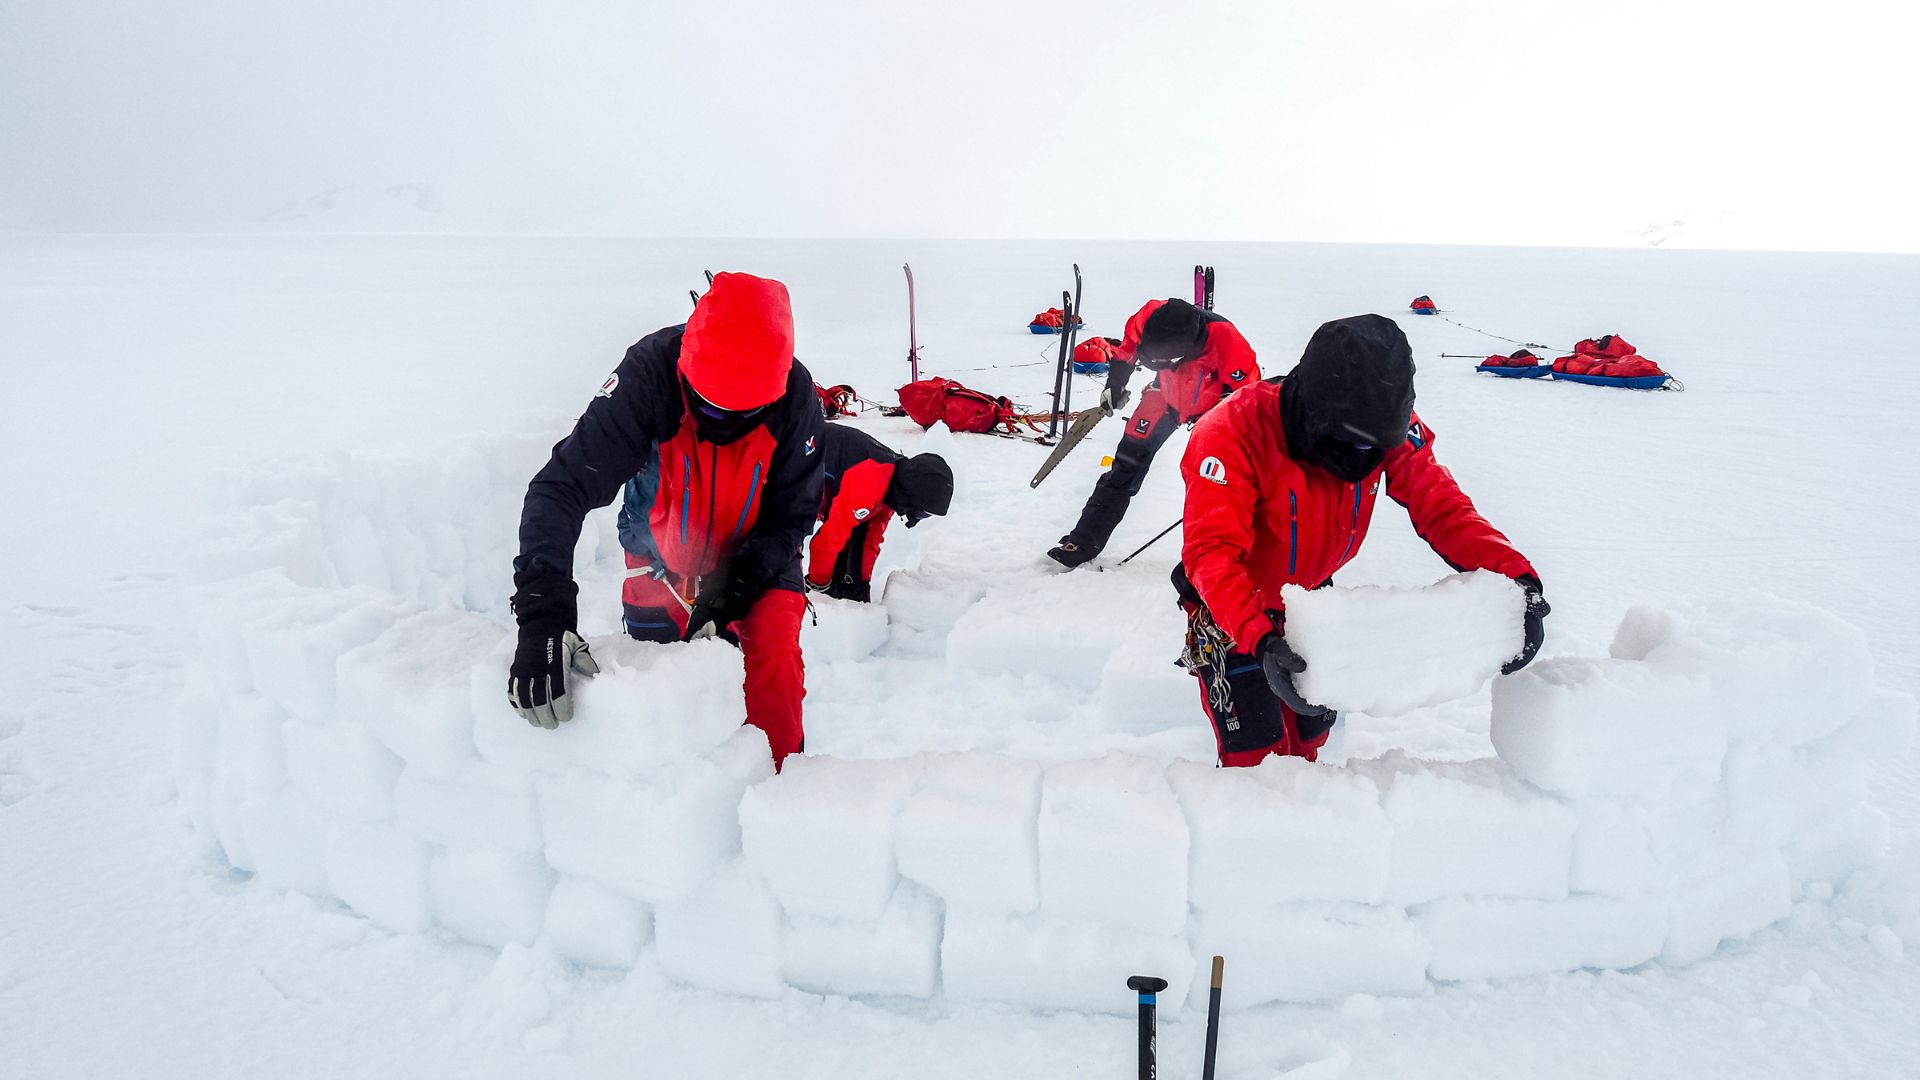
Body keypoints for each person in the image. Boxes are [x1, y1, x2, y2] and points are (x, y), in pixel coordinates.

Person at [1175, 314, 1548, 766]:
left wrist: (1518, 580)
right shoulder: (1231, 432)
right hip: (1232, 607)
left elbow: (1443, 508)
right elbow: (1210, 552)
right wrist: (1259, 636)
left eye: (1376, 447)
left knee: (1310, 734)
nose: (1364, 458)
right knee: (1257, 753)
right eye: (1349, 443)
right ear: (1314, 412)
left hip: (1310, 603)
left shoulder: (1384, 422)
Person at [507, 272, 825, 768]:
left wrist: (733, 586)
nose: (723, 425)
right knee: (653, 695)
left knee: (773, 670)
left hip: (759, 560)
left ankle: (779, 793)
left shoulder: (798, 398)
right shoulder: (648, 376)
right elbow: (561, 487)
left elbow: (793, 514)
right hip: (658, 559)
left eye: (743, 414)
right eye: (710, 406)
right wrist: (543, 611)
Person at [1047, 298, 1258, 569]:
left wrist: (1224, 423)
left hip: (1213, 411)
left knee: (1213, 482)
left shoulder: (1227, 342)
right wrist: (1115, 383)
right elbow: (1126, 350)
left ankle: (1223, 556)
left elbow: (1248, 395)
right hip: (1165, 398)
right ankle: (1083, 541)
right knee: (1125, 466)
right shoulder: (1148, 316)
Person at [806, 425, 953, 602]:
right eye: (922, 513)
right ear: (911, 497)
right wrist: (818, 586)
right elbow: (827, 541)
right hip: (793, 452)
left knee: (858, 534)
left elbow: (871, 538)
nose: (918, 518)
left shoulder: (893, 485)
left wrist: (860, 584)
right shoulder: (870, 482)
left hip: (834, 465)